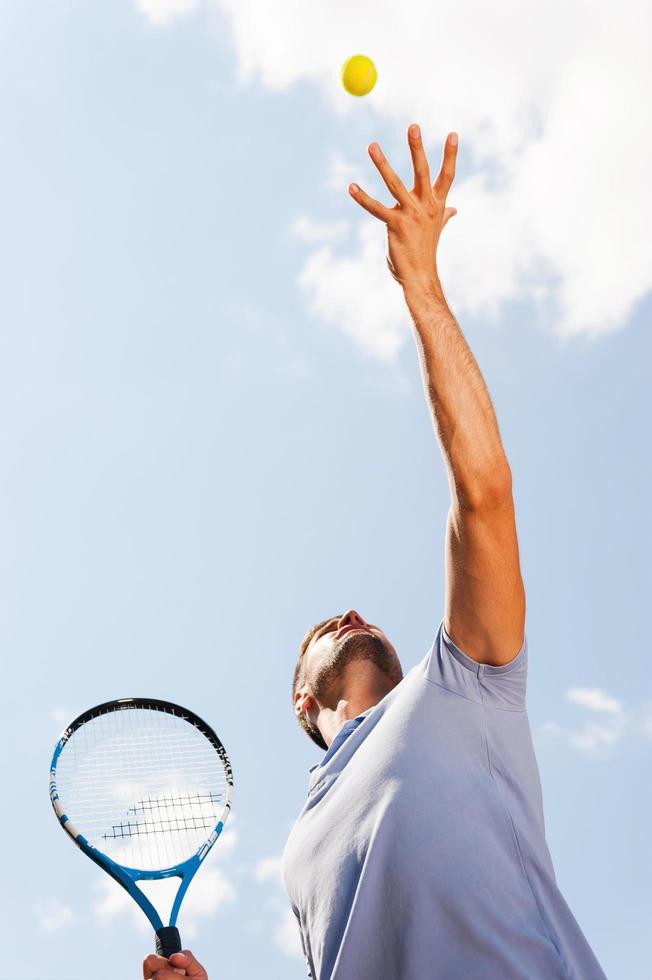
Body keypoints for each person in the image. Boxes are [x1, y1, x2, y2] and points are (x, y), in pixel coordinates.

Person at [144, 124, 609, 979]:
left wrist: (423, 288)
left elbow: (486, 494)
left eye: (352, 619)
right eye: (322, 629)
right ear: (299, 704)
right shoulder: (298, 855)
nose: (350, 615)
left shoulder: (466, 683)